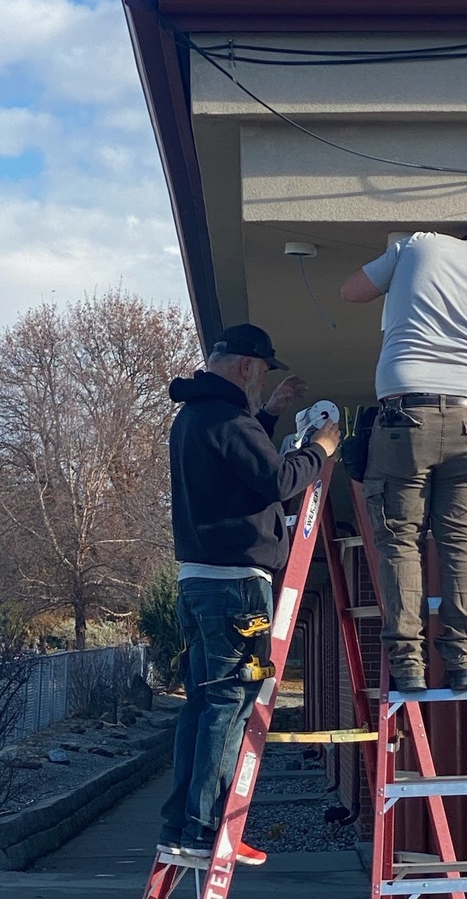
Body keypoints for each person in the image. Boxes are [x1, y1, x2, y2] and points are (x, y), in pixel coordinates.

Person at [156, 323, 340, 863]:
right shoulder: (228, 418)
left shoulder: (196, 416)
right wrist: (322, 452)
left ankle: (181, 825)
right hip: (235, 586)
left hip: (198, 582)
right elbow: (277, 480)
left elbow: (239, 464)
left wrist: (273, 412)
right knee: (230, 705)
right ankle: (207, 832)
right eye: (264, 376)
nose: (263, 384)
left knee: (203, 703)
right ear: (247, 367)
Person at [341, 229, 467, 693]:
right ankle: (465, 661)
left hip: (405, 416)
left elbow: (352, 291)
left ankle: (408, 664)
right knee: (462, 542)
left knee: (400, 540)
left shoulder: (419, 245)